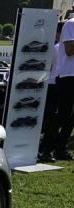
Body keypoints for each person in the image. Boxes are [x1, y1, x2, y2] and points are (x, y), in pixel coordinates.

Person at [49, 17, 74, 160]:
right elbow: (70, 50)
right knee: (63, 115)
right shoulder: (71, 23)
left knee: (71, 118)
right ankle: (46, 147)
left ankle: (60, 148)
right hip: (67, 76)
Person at [39, 22, 64, 162]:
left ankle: (47, 145)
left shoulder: (56, 47)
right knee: (51, 119)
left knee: (51, 118)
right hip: (54, 84)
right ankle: (46, 146)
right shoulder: (57, 48)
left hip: (53, 84)